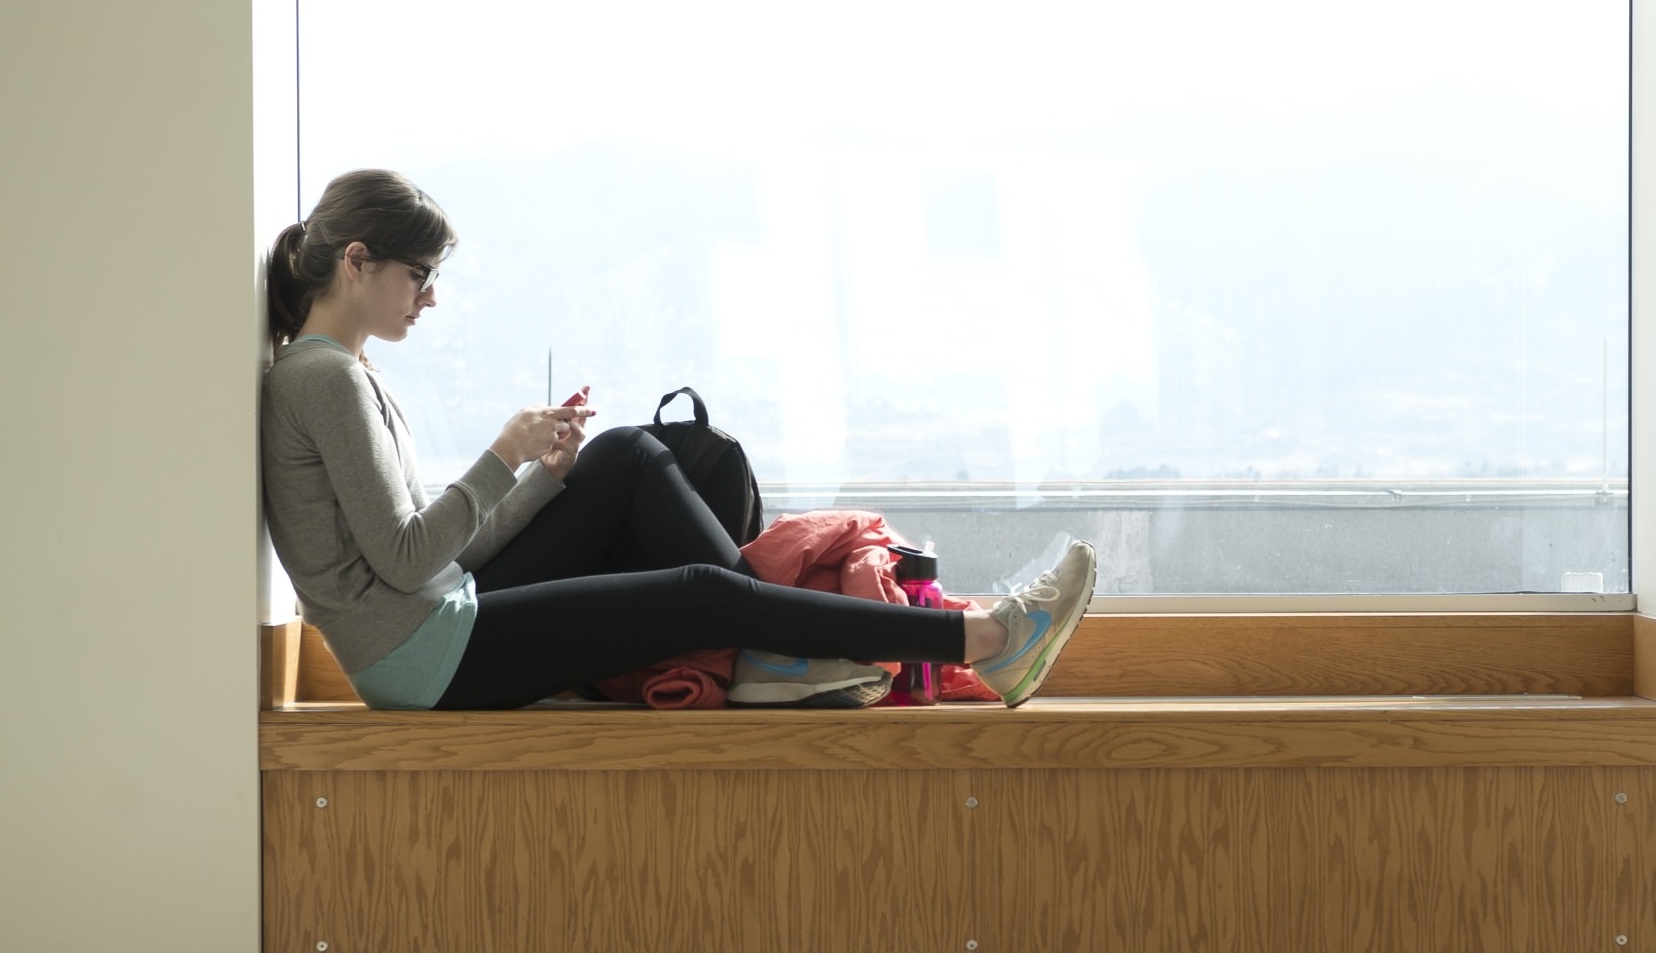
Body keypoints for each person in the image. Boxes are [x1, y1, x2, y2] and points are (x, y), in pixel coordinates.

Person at [260, 169, 1096, 715]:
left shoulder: (342, 373)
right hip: (420, 658)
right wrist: (501, 455)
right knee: (698, 586)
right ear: (358, 263)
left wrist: (544, 476)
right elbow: (409, 562)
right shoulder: (322, 379)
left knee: (623, 453)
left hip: (438, 618)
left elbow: (443, 557)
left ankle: (771, 644)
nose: (429, 300)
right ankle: (986, 640)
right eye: (420, 277)